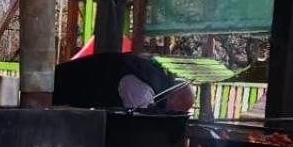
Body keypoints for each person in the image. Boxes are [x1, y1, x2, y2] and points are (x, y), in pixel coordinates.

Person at [52, 51, 194, 112]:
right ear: (174, 96)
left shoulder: (155, 80)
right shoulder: (144, 88)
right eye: (180, 109)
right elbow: (137, 122)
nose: (177, 112)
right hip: (58, 86)